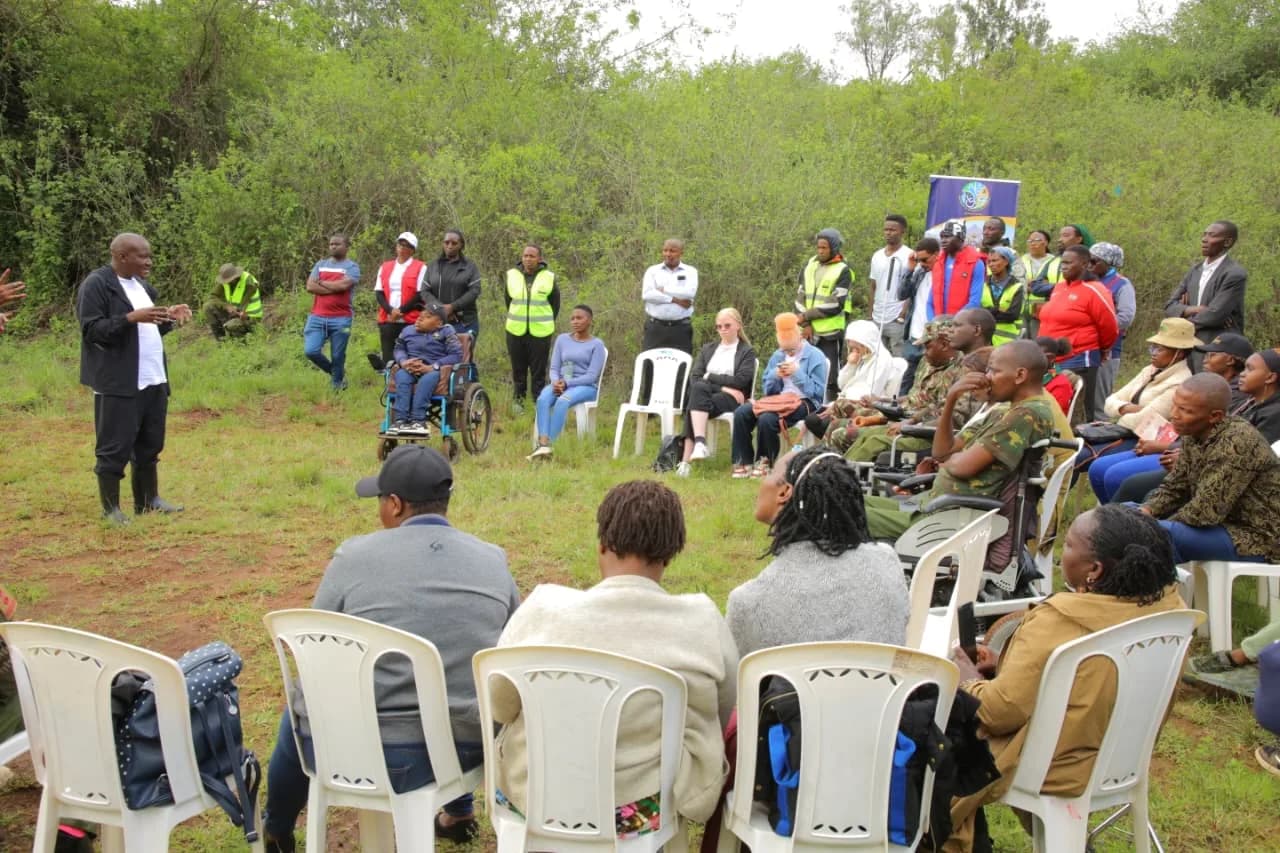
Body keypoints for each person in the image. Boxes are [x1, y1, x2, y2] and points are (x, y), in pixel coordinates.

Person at [260, 445, 519, 852]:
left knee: (298, 708)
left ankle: (276, 827)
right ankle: (460, 810)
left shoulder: (353, 556)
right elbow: (507, 644)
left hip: (355, 747)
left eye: (379, 501)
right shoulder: (493, 560)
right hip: (462, 749)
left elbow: (315, 644)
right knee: (453, 685)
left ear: (395, 505)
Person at [489, 480, 738, 835]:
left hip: (535, 796)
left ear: (602, 544)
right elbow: (721, 710)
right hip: (641, 808)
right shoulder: (703, 621)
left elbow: (499, 705)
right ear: (671, 554)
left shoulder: (541, 608)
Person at [942, 506, 1186, 852]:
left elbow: (998, 712)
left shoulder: (1059, 620)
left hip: (1052, 765)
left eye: (1069, 546)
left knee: (932, 731)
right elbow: (1087, 679)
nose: (1060, 557)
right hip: (1117, 758)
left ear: (1095, 570)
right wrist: (1007, 663)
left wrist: (967, 677)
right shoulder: (1168, 609)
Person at [862, 340, 1057, 542]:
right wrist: (951, 399)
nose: (987, 378)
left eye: (994, 371)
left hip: (944, 519)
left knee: (840, 514)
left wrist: (951, 461)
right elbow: (942, 452)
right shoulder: (1004, 411)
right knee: (855, 502)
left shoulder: (1026, 414)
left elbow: (961, 467)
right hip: (925, 505)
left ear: (1020, 375)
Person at [729, 448, 908, 655]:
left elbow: (741, 680)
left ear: (784, 492)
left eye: (770, 473)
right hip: (887, 687)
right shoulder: (886, 559)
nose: (763, 481)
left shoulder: (749, 602)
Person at [76, 233, 192, 525]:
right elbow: (92, 330)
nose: (148, 261)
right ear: (121, 256)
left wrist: (169, 317)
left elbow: (148, 328)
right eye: (142, 256)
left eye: (149, 255)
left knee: (149, 443)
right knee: (114, 446)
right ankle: (111, 509)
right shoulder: (97, 284)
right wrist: (129, 318)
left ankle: (148, 500)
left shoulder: (142, 287)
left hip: (152, 377)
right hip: (118, 381)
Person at [1109, 343, 1280, 505]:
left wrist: (1186, 457)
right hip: (1195, 460)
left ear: (1270, 377)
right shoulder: (1251, 401)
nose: (1242, 373)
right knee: (1131, 485)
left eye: (1250, 369)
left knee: (1141, 490)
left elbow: (1245, 460)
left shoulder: (1273, 413)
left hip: (1224, 482)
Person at [1141, 373, 1280, 565]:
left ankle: (1135, 591)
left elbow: (1204, 512)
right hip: (1222, 522)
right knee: (1121, 514)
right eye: (1175, 405)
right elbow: (1175, 486)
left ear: (1214, 416)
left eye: (1184, 410)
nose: (1174, 414)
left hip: (1257, 535)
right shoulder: (1195, 431)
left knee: (1154, 534)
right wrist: (1146, 511)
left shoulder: (1236, 444)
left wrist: (1149, 524)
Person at [1076, 317, 1196, 483]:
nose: (1153, 353)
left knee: (1079, 458)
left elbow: (1142, 421)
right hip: (1123, 432)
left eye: (1160, 349)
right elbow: (1109, 402)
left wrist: (1123, 411)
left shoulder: (1180, 382)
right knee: (1070, 448)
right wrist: (1128, 408)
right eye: (1153, 347)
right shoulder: (1149, 370)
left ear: (1179, 353)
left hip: (1145, 441)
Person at [834, 319, 963, 460]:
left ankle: (840, 474)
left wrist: (910, 422)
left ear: (944, 345)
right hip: (901, 416)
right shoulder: (926, 363)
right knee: (843, 426)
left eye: (928, 347)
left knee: (872, 441)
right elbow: (912, 396)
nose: (924, 353)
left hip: (925, 430)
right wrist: (884, 401)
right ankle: (823, 467)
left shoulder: (961, 371)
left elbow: (943, 413)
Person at [731, 313, 827, 478]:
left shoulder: (815, 355)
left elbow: (818, 393)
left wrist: (797, 374)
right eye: (785, 350)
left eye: (790, 350)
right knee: (741, 413)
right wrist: (775, 376)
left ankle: (765, 461)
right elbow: (768, 391)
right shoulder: (778, 354)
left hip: (805, 402)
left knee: (767, 419)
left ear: (800, 337)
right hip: (779, 399)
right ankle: (743, 461)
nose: (787, 353)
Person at [1035, 244, 1118, 423]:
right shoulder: (1059, 287)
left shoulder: (1095, 290)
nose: (1063, 266)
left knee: (1077, 410)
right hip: (1052, 358)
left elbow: (1110, 326)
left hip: (1079, 357)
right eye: (1062, 263)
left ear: (1084, 264)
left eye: (1068, 263)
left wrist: (1103, 350)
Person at [679, 308, 757, 476]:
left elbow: (741, 381)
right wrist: (723, 387)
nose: (723, 329)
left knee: (695, 403)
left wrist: (710, 376)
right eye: (719, 326)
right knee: (697, 390)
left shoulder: (746, 351)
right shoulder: (708, 348)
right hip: (713, 394)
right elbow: (695, 378)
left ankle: (685, 462)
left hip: (733, 399)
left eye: (727, 325)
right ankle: (699, 443)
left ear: (738, 325)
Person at [1164, 220, 1247, 366]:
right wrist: (1193, 309)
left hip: (1217, 349)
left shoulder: (1234, 274)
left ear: (1227, 242)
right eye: (1204, 234)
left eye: (1212, 235)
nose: (1204, 239)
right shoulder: (1194, 270)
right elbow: (1169, 306)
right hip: (1188, 345)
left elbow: (1215, 314)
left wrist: (1182, 322)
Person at [528, 305, 606, 460]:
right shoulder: (562, 339)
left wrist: (567, 384)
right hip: (560, 383)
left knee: (562, 402)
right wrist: (556, 381)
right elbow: (554, 367)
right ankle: (543, 444)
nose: (575, 321)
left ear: (589, 320)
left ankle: (551, 444)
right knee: (543, 399)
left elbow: (591, 376)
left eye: (579, 318)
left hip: (585, 387)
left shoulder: (597, 345)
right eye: (572, 318)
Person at [800, 319, 896, 443]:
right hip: (844, 405)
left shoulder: (882, 360)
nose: (851, 346)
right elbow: (841, 384)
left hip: (866, 410)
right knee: (811, 419)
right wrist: (851, 365)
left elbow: (869, 394)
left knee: (818, 421)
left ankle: (834, 445)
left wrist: (839, 405)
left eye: (855, 343)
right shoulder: (862, 357)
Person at [796, 227, 856, 400]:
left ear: (834, 248)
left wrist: (805, 317)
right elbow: (800, 296)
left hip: (830, 333)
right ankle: (807, 408)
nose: (820, 251)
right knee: (806, 371)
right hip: (808, 332)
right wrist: (806, 325)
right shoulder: (810, 265)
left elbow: (836, 303)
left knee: (830, 376)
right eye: (818, 247)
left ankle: (828, 410)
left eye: (825, 248)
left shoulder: (843, 270)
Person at [387, 302, 463, 436]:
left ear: (438, 323)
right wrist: (403, 362)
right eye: (420, 315)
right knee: (402, 376)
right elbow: (398, 349)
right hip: (410, 368)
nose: (420, 319)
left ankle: (418, 421)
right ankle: (400, 420)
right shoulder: (407, 331)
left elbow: (456, 355)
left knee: (427, 380)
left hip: (433, 370)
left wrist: (433, 367)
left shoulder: (446, 331)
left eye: (427, 317)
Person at [504, 244, 560, 412]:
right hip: (515, 330)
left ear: (539, 259)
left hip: (540, 332)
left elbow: (555, 305)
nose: (528, 259)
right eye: (525, 256)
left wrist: (541, 322)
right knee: (518, 369)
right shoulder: (512, 275)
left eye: (532, 256)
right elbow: (508, 301)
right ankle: (518, 402)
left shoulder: (548, 277)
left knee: (538, 371)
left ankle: (538, 402)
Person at [304, 233, 360, 392]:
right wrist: (332, 286)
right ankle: (338, 375)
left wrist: (321, 283)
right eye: (331, 244)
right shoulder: (320, 264)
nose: (333, 246)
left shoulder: (352, 267)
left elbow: (343, 286)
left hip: (342, 319)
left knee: (338, 355)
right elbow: (310, 287)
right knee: (311, 351)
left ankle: (336, 388)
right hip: (317, 317)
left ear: (346, 247)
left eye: (337, 244)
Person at [1088, 242, 1135, 417]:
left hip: (1107, 349)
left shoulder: (1121, 285)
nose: (1089, 265)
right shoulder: (1086, 281)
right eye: (1088, 260)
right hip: (1081, 349)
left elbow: (1125, 317)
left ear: (1109, 263)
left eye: (1094, 261)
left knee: (1100, 400)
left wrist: (1093, 326)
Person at [371, 232, 426, 366]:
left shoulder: (420, 267)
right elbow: (379, 292)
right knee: (389, 358)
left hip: (410, 319)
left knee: (410, 356)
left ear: (412, 250)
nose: (402, 248)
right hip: (388, 319)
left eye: (407, 246)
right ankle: (388, 383)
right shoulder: (385, 266)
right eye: (400, 244)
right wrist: (391, 311)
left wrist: (400, 311)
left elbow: (419, 294)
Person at [896, 236, 940, 395]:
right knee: (906, 379)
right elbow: (901, 294)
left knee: (927, 380)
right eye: (919, 259)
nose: (922, 263)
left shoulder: (944, 275)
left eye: (925, 259)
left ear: (937, 254)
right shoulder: (920, 272)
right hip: (914, 334)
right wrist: (909, 269)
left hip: (932, 336)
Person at [641, 237, 698, 354]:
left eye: (672, 251)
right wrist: (675, 300)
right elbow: (647, 295)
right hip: (655, 328)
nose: (668, 254)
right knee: (650, 367)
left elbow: (689, 293)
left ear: (681, 253)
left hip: (680, 329)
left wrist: (664, 289)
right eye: (665, 250)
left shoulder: (690, 271)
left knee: (681, 366)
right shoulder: (653, 271)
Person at [424, 229, 481, 340]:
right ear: (443, 244)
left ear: (461, 245)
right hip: (437, 322)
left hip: (465, 323)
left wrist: (452, 307)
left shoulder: (470, 266)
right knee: (438, 356)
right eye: (447, 242)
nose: (450, 246)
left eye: (454, 243)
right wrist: (441, 309)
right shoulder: (433, 266)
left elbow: (475, 291)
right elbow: (425, 291)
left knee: (463, 356)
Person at [869, 214, 914, 356]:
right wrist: (870, 313)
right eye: (886, 229)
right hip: (877, 315)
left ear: (902, 232)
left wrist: (903, 313)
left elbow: (912, 287)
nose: (888, 233)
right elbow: (873, 285)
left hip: (896, 316)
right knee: (877, 357)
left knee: (898, 358)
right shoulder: (877, 255)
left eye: (893, 230)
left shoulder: (909, 255)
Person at [928, 219, 985, 321]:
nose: (943, 240)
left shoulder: (975, 263)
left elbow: (975, 301)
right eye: (942, 237)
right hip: (938, 325)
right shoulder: (938, 262)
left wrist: (953, 322)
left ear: (960, 237)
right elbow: (930, 300)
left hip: (962, 325)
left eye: (948, 236)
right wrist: (933, 321)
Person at [204, 263, 262, 340]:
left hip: (250, 317)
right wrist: (226, 306)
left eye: (228, 280)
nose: (226, 282)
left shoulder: (248, 281)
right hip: (236, 314)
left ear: (235, 276)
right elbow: (213, 296)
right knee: (208, 306)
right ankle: (222, 340)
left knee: (231, 325)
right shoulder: (225, 283)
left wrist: (240, 311)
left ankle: (244, 339)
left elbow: (245, 303)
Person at [980, 246, 1025, 342]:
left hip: (1007, 341)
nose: (991, 264)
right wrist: (998, 310)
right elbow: (977, 310)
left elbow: (1012, 315)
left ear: (1006, 262)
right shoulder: (983, 283)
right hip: (985, 339)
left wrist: (987, 312)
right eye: (989, 261)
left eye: (995, 261)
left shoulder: (1016, 286)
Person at [1019, 229, 1056, 338]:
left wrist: (1036, 286)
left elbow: (1056, 283)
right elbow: (1016, 280)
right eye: (1030, 241)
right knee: (1022, 344)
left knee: (1039, 342)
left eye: (1037, 240)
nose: (1033, 243)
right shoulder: (1021, 260)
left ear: (1046, 243)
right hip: (1022, 309)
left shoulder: (1055, 262)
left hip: (1044, 309)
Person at [1037, 337, 1076, 417]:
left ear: (1050, 358)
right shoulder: (1035, 376)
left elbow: (1051, 415)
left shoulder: (1060, 384)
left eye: (1033, 355)